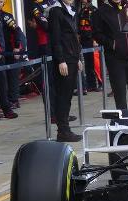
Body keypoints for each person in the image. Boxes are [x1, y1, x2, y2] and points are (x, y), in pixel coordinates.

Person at [92, 0, 128, 109]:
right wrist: (111, 44)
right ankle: (122, 119)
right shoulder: (100, 12)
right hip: (115, 58)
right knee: (119, 92)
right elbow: (96, 33)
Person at [48, 0, 84, 142]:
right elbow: (55, 39)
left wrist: (78, 57)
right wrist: (61, 60)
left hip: (72, 57)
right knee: (63, 96)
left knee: (68, 96)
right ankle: (63, 131)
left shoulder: (71, 9)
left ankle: (65, 129)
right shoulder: (56, 11)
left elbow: (74, 37)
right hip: (64, 59)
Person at [0, 7, 25, 109]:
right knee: (1, 78)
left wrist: (17, 47)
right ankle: (4, 101)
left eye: (1, 2)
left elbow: (17, 31)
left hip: (10, 51)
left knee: (12, 76)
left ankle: (13, 100)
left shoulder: (6, 16)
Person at [77, 0, 102, 92]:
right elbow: (79, 26)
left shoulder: (94, 10)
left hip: (92, 39)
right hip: (84, 40)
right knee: (88, 63)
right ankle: (91, 85)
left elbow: (97, 26)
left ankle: (101, 83)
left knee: (96, 63)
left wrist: (95, 39)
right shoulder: (82, 10)